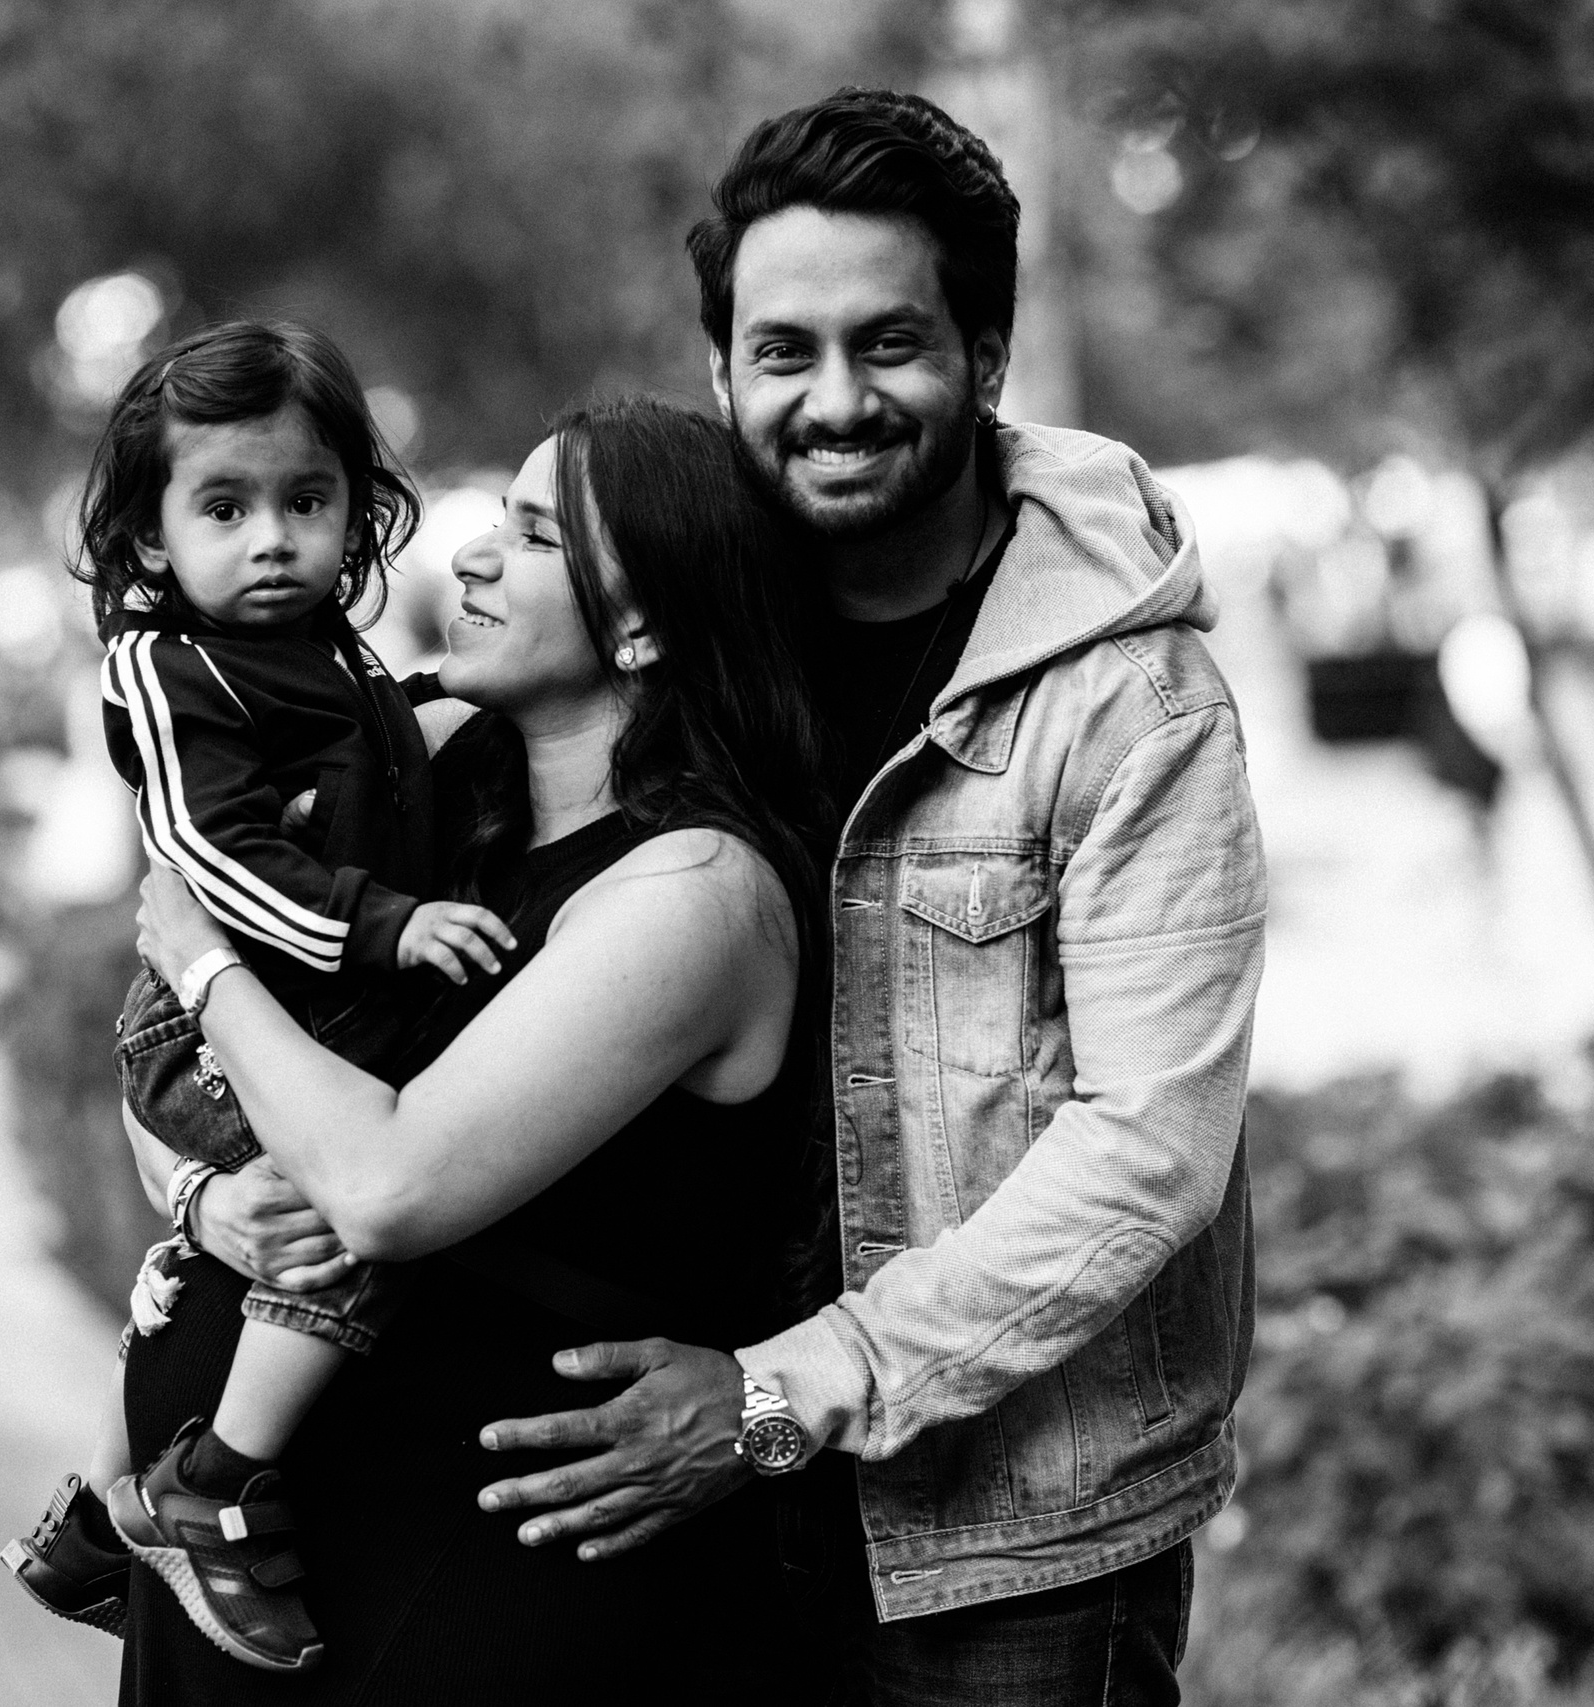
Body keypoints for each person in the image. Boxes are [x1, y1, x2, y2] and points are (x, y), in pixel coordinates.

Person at [474, 89, 1269, 1705]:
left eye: (889, 344)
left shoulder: (1127, 703)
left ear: (987, 355)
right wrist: (217, 1164)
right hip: (689, 1531)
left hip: (1008, 1551)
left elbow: (1151, 1145)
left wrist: (782, 1394)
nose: (834, 403)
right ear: (724, 373)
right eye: (784, 353)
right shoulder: (683, 642)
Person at [114, 395, 836, 1703]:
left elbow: (385, 1187)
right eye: (498, 518)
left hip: (472, 1569)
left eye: (537, 536)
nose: (472, 557)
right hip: (247, 1560)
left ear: (645, 623)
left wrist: (203, 960)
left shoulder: (695, 891)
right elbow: (169, 1076)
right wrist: (205, 1201)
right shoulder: (430, 779)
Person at [0, 320, 517, 1671]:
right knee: (345, 1224)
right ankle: (214, 1479)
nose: (273, 540)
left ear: (355, 509)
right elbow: (214, 856)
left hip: (296, 1016)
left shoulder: (334, 655)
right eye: (225, 508)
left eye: (306, 500)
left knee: (245, 1233)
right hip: (211, 1018)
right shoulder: (165, 668)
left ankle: (97, 1514)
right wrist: (388, 926)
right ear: (154, 533)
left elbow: (375, 769)